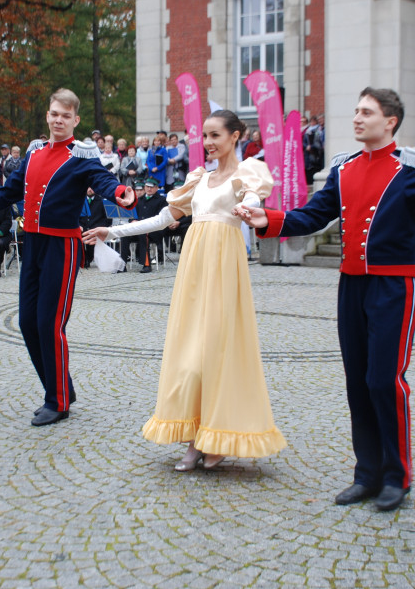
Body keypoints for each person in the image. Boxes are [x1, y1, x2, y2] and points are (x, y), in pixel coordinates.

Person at [236, 87, 415, 511]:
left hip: (395, 287)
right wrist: (269, 218)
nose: (357, 118)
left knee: (384, 381)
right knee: (358, 383)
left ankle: (397, 477)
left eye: (366, 112)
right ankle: (367, 474)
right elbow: (313, 215)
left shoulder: (410, 168)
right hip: (352, 285)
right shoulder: (344, 170)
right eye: (356, 110)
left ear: (390, 120)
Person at [84, 109, 287, 470]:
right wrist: (111, 231)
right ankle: (193, 439)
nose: (208, 143)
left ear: (235, 136)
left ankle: (217, 436)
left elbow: (255, 198)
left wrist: (248, 206)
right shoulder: (198, 179)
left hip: (224, 266)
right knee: (189, 354)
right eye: (204, 136)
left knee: (218, 351)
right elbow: (165, 218)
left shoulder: (246, 174)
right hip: (194, 270)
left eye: (216, 136)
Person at [0, 88, 135, 426]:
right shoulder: (33, 155)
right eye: (54, 113)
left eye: (66, 116)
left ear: (76, 120)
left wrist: (121, 193)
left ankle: (57, 401)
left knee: (49, 324)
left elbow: (104, 180)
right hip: (34, 244)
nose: (59, 120)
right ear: (48, 115)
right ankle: (61, 388)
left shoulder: (82, 157)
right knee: (28, 323)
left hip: (63, 247)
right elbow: (5, 194)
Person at [134, 176, 168, 273]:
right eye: (147, 187)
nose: (149, 189)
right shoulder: (139, 200)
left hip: (154, 230)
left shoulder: (162, 200)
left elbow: (163, 218)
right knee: (125, 236)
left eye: (152, 187)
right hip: (139, 228)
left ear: (157, 188)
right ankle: (122, 264)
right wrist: (133, 220)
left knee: (144, 234)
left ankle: (147, 264)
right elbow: (133, 215)